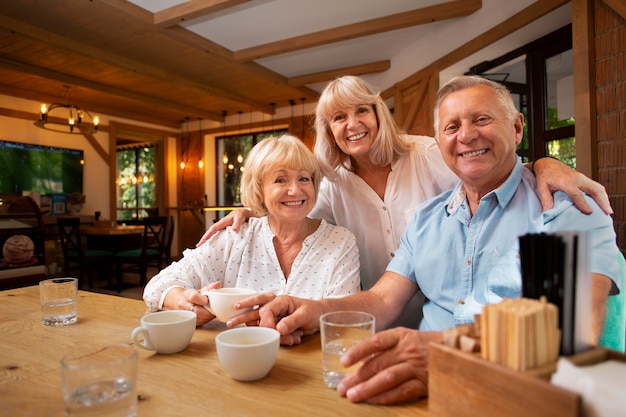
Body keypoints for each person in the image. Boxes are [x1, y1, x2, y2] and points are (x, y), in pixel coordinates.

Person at [227, 76, 622, 405]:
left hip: (518, 394)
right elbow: (382, 300)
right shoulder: (428, 219)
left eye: (482, 119)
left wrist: (450, 353)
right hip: (416, 380)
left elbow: (573, 332)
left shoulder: (563, 207)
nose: (466, 136)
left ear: (517, 128)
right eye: (451, 127)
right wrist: (312, 308)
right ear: (440, 140)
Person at [143, 134, 360, 325]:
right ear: (259, 190)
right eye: (280, 180)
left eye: (304, 178)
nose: (295, 190)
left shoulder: (340, 242)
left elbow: (346, 318)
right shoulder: (236, 236)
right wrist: (186, 303)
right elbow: (158, 285)